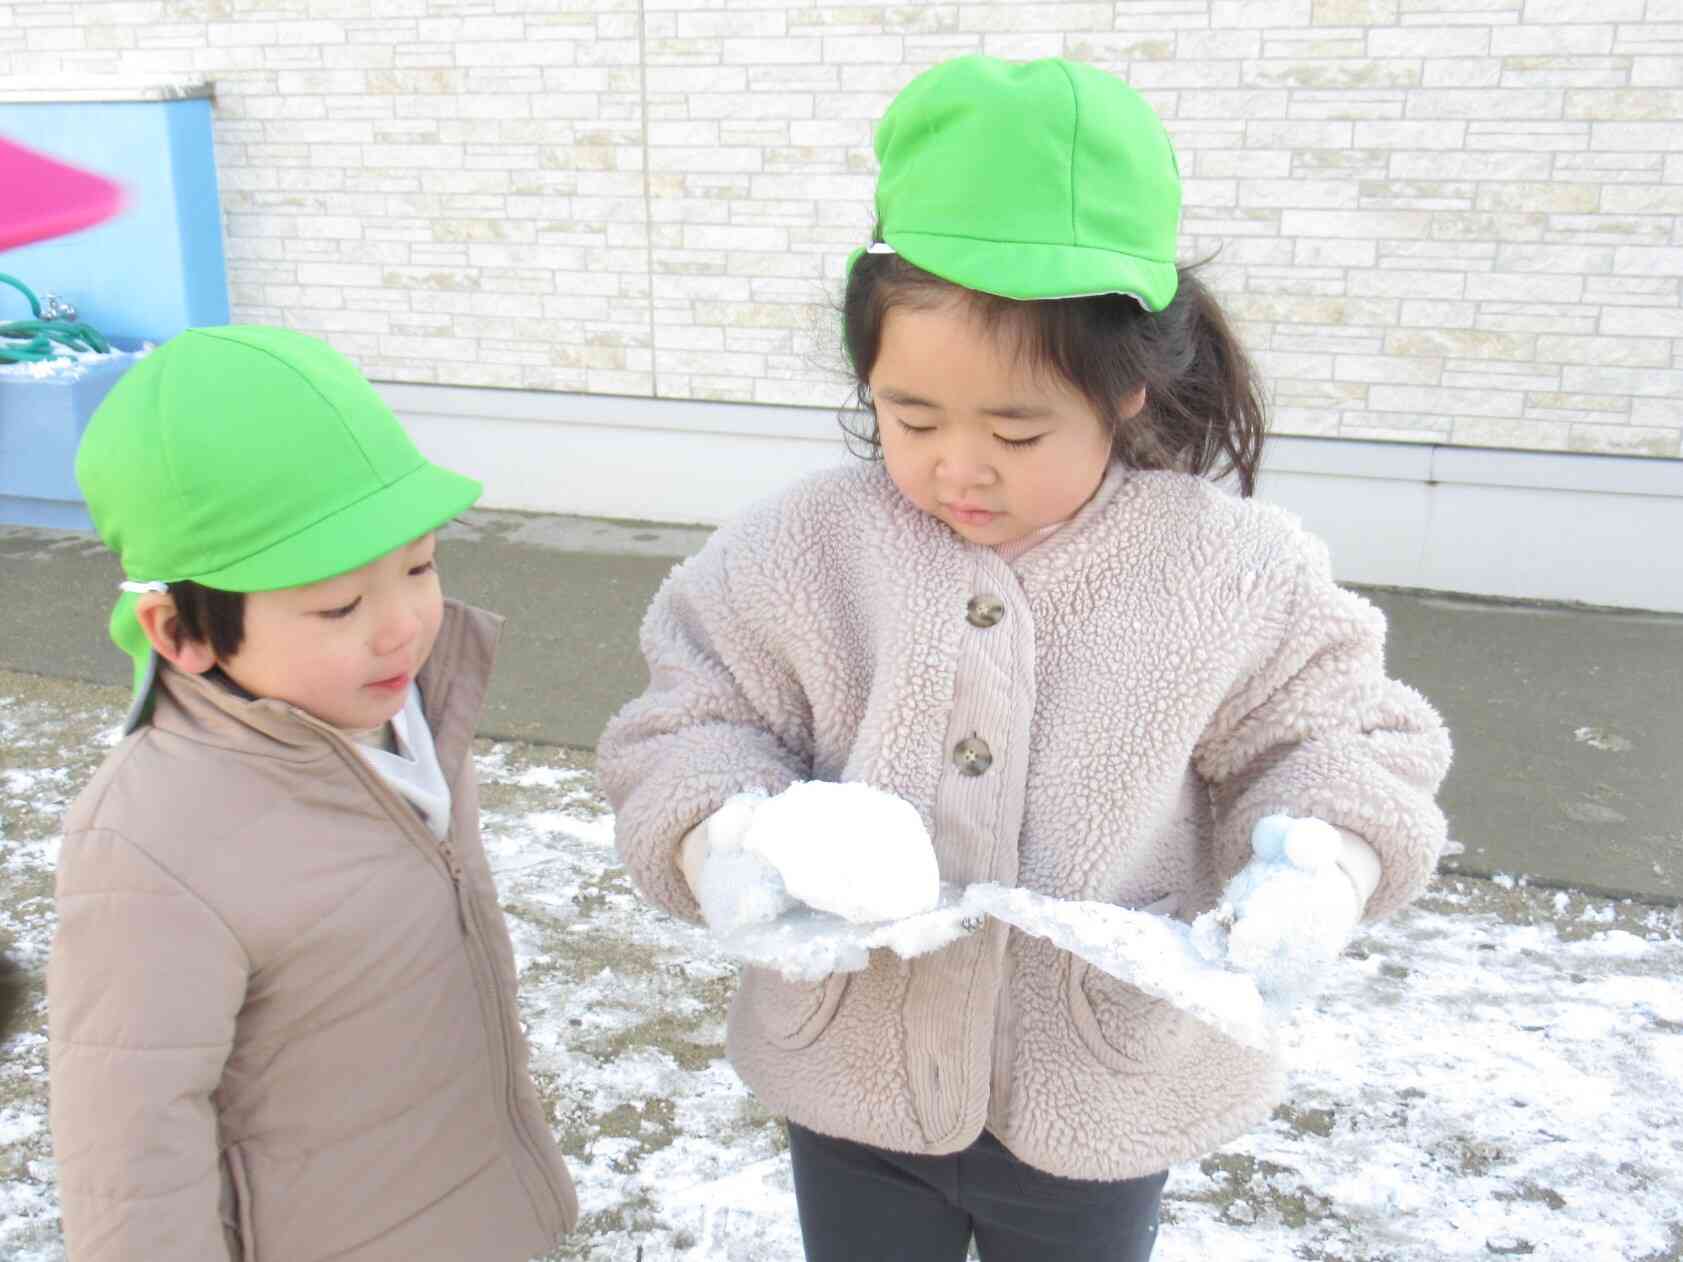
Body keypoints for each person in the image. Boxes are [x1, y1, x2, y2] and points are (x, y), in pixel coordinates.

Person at [598, 55, 1451, 1262]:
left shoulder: (1228, 567)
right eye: (911, 416)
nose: (959, 466)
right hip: (855, 1082)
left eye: (1016, 427)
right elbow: (690, 714)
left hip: (1094, 1094)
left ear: (1133, 389)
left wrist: (1323, 861)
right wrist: (738, 831)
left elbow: (1336, 737)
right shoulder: (805, 547)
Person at [48, 326, 578, 1261]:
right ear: (177, 629)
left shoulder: (406, 709)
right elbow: (129, 1152)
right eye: (338, 606)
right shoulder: (151, 843)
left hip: (472, 1208)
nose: (404, 628)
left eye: (418, 566)